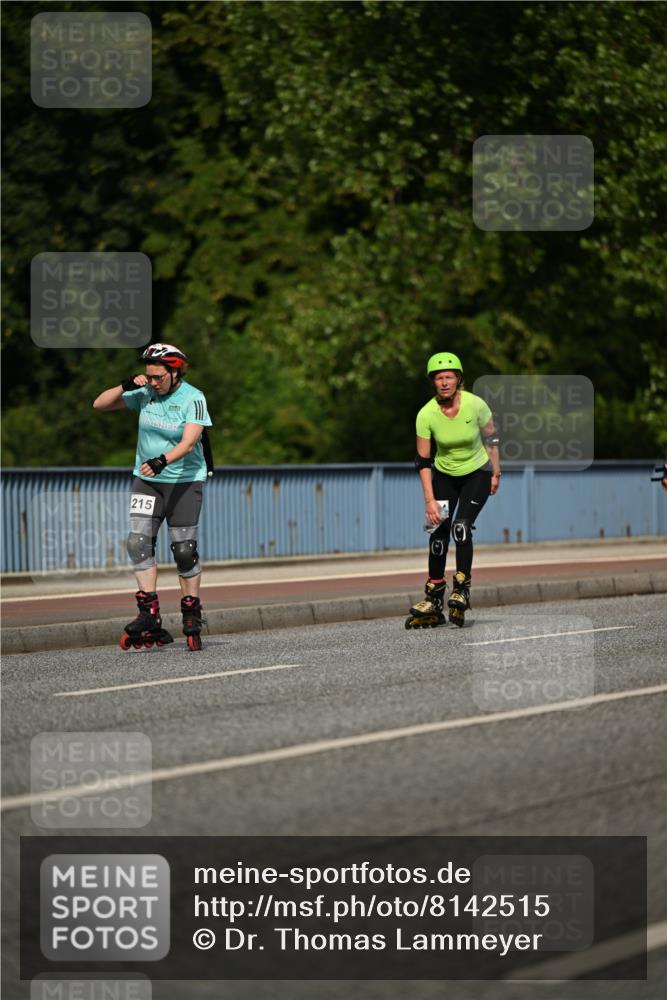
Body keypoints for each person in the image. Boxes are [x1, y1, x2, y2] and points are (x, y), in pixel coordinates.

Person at [93, 343, 212, 650]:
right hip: (147, 480)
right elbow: (99, 405)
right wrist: (125, 385)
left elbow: (188, 443)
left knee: (184, 549)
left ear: (175, 373)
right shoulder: (145, 394)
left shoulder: (193, 398)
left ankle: (191, 613)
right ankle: (149, 615)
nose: (154, 382)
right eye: (150, 376)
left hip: (184, 481)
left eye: (159, 377)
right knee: (137, 543)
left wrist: (163, 460)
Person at [405, 351, 500, 629]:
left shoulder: (476, 404)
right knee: (437, 532)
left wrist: (496, 471)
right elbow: (423, 461)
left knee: (461, 526)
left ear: (458, 379)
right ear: (433, 382)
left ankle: (461, 587)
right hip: (444, 476)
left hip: (477, 473)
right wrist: (429, 500)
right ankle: (433, 597)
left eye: (449, 377)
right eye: (438, 378)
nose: (444, 382)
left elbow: (492, 436)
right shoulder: (426, 414)